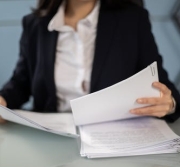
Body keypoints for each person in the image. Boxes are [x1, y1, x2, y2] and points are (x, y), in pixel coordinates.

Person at [0, 0, 180, 124]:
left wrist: (169, 103)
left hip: (116, 139)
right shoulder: (35, 24)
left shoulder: (132, 20)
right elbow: (21, 82)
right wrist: (4, 100)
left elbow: (162, 86)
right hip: (51, 137)